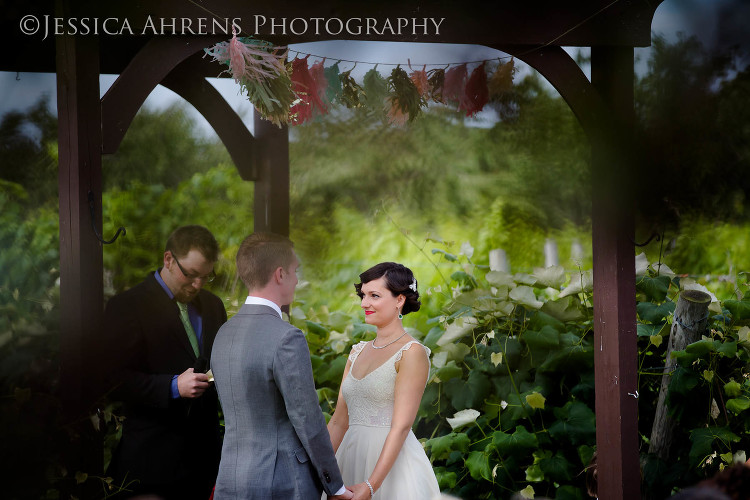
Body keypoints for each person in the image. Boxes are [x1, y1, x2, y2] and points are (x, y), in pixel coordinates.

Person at [210, 232, 353, 500]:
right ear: (279, 275)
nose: (297, 279)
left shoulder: (224, 333)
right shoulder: (287, 337)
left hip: (231, 479)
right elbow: (308, 419)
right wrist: (336, 486)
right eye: (294, 270)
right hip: (282, 484)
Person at [103, 225, 227, 499]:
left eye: (206, 277)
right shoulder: (127, 306)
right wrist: (172, 386)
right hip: (152, 464)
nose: (197, 285)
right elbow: (112, 379)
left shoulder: (215, 306)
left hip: (205, 464)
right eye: (191, 274)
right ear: (168, 259)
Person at [326, 262, 440, 500]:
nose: (364, 303)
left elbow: (401, 426)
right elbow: (338, 422)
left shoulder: (412, 352)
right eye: (363, 295)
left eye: (374, 296)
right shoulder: (356, 352)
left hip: (391, 470)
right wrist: (319, 471)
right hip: (349, 459)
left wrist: (370, 485)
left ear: (399, 300)